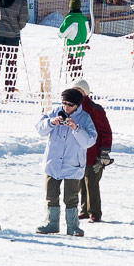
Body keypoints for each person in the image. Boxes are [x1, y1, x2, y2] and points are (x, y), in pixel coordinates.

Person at [36, 87, 98, 236]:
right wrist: (50, 122)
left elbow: (90, 141)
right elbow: (39, 129)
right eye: (64, 103)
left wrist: (76, 128)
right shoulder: (55, 111)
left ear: (77, 105)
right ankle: (51, 223)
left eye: (70, 104)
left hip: (72, 164)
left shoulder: (84, 118)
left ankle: (73, 226)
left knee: (71, 197)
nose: (66, 107)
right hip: (53, 163)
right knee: (51, 194)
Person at [71, 79, 113, 223]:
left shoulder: (95, 109)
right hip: (78, 154)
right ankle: (84, 210)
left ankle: (95, 212)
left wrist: (104, 152)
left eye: (80, 91)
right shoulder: (72, 108)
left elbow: (105, 132)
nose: (77, 93)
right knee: (81, 183)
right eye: (75, 90)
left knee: (92, 183)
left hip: (93, 154)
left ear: (86, 93)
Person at [59, 0, 89, 78]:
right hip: (81, 50)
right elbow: (88, 32)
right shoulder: (84, 19)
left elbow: (61, 33)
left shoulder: (69, 19)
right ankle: (79, 85)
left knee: (72, 71)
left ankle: (76, 87)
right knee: (78, 69)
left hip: (72, 50)